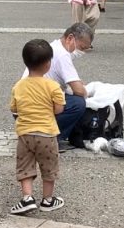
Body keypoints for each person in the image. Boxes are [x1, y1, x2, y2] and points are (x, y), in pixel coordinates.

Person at [9, 39, 66, 215]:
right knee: (49, 167)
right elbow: (59, 108)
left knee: (25, 165)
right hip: (47, 134)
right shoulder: (53, 86)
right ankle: (47, 200)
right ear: (48, 64)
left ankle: (27, 198)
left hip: (25, 134)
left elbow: (14, 108)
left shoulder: (19, 86)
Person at [28, 23, 93, 151]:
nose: (82, 52)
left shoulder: (54, 46)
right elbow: (79, 91)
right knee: (78, 103)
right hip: (38, 108)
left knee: (70, 97)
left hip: (26, 107)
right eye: (81, 47)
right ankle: (51, 137)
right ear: (70, 38)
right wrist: (86, 92)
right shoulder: (62, 55)